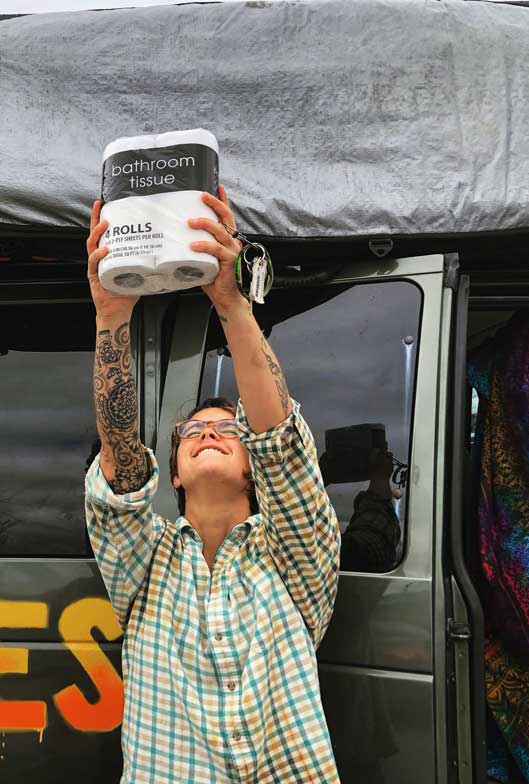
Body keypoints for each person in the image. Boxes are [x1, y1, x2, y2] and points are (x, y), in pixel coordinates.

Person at [84, 185, 342, 782]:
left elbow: (282, 443)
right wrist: (111, 314)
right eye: (191, 430)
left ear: (253, 464)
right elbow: (120, 462)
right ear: (172, 472)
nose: (206, 432)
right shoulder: (145, 568)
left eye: (226, 429)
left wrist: (231, 304)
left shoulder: (294, 562)